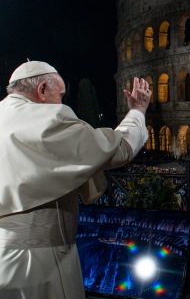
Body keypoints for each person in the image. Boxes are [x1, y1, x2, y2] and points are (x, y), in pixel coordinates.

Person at [0, 61, 151, 299]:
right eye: (59, 95)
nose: (61, 102)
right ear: (41, 90)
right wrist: (137, 111)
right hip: (41, 260)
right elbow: (117, 149)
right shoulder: (48, 118)